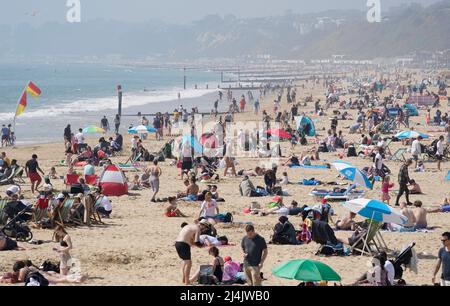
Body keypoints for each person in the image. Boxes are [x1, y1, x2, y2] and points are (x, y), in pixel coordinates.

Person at [175, 220, 209, 285]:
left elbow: (190, 241)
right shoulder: (198, 229)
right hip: (183, 245)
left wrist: (196, 245)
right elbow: (197, 242)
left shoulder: (190, 226)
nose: (204, 229)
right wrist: (202, 246)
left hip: (177, 243)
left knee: (185, 262)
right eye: (205, 227)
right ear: (202, 225)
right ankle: (187, 282)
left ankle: (184, 280)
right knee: (189, 263)